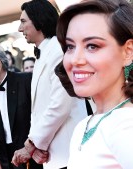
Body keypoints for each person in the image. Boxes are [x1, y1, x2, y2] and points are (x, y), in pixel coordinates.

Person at [55, 0, 133, 168]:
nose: (75, 59)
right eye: (70, 46)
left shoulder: (126, 124)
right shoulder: (85, 124)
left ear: (128, 52)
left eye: (92, 46)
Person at [12, 0, 87, 169]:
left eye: (23, 21)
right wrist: (38, 144)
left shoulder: (58, 51)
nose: (19, 28)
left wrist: (32, 144)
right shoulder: (45, 52)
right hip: (54, 152)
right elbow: (39, 110)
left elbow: (60, 104)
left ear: (39, 20)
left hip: (68, 150)